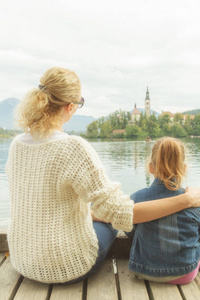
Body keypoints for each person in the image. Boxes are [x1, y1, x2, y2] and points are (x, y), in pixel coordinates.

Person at [5, 67, 200, 284]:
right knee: (110, 223)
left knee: (97, 214)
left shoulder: (16, 144)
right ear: (70, 106)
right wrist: (187, 199)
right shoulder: (72, 147)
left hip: (23, 261)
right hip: (65, 267)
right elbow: (123, 214)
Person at [127, 137, 200, 284]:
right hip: (185, 274)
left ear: (151, 167)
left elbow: (129, 229)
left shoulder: (137, 198)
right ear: (184, 168)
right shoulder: (194, 201)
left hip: (144, 270)